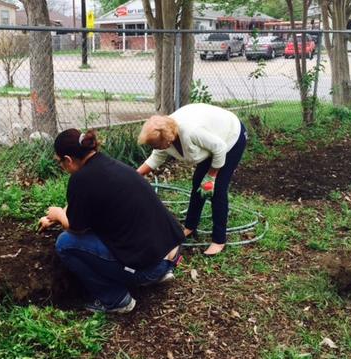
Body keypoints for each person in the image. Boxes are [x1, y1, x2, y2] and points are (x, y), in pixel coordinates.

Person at [39, 129, 184, 313]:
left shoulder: (81, 179)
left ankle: (116, 300)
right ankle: (158, 272)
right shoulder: (110, 164)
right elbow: (82, 202)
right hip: (170, 253)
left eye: (59, 162)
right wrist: (60, 214)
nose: (61, 166)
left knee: (65, 243)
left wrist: (59, 214)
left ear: (68, 159)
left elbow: (75, 228)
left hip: (149, 269)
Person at [136, 103, 247, 256]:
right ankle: (190, 226)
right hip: (212, 143)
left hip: (230, 138)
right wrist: (134, 175)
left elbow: (219, 148)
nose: (155, 147)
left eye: (155, 144)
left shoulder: (190, 132)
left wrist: (212, 175)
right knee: (198, 185)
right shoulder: (165, 138)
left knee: (217, 189)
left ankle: (219, 240)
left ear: (168, 139)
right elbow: (155, 158)